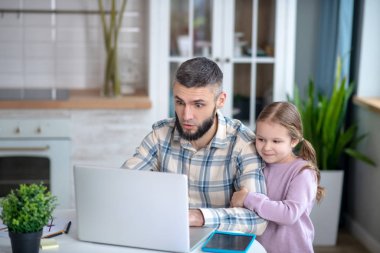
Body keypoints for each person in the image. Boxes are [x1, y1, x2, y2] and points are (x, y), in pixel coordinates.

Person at [122, 57, 267, 234]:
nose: (186, 116)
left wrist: (198, 217)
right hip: (165, 236)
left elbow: (258, 219)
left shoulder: (244, 143)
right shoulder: (160, 135)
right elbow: (123, 186)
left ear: (220, 100)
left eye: (198, 104)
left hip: (217, 244)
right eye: (179, 102)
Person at [231, 101, 325, 253]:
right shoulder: (255, 164)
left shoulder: (303, 172)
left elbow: (289, 214)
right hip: (258, 248)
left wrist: (248, 198)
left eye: (276, 141)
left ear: (293, 141)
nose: (267, 147)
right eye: (261, 139)